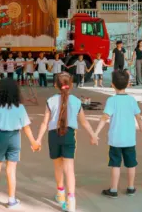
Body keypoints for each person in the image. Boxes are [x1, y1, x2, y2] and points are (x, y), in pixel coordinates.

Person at [36, 72, 98, 212]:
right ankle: (71, 202)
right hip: (69, 135)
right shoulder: (76, 101)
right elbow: (84, 121)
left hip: (53, 135)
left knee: (58, 167)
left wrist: (38, 140)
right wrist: (93, 135)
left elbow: (44, 123)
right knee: (69, 169)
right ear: (70, 85)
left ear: (55, 85)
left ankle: (61, 194)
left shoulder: (51, 100)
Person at [0, 79, 40, 209]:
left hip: (0, 137)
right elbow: (26, 127)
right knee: (11, 170)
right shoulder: (20, 107)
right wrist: (34, 142)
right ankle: (11, 200)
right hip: (15, 137)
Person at [94, 70, 142, 198]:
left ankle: (113, 190)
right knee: (131, 164)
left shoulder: (112, 100)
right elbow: (139, 117)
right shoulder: (132, 100)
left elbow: (104, 118)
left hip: (115, 140)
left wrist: (95, 133)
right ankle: (131, 187)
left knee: (115, 164)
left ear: (112, 84)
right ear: (128, 84)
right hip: (129, 139)